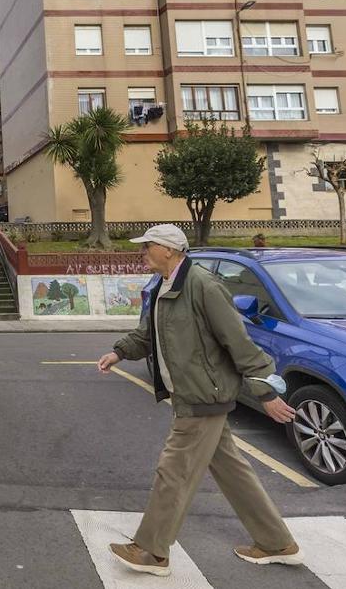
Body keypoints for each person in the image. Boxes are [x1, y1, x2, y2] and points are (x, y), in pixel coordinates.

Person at [96, 224, 301, 577]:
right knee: (233, 472)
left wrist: (265, 392)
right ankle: (276, 542)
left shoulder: (203, 285)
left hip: (204, 395)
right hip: (194, 393)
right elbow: (149, 334)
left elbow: (239, 343)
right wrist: (119, 353)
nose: (142, 253)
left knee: (173, 470)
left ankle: (151, 551)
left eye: (148, 247)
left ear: (169, 250)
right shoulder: (166, 285)